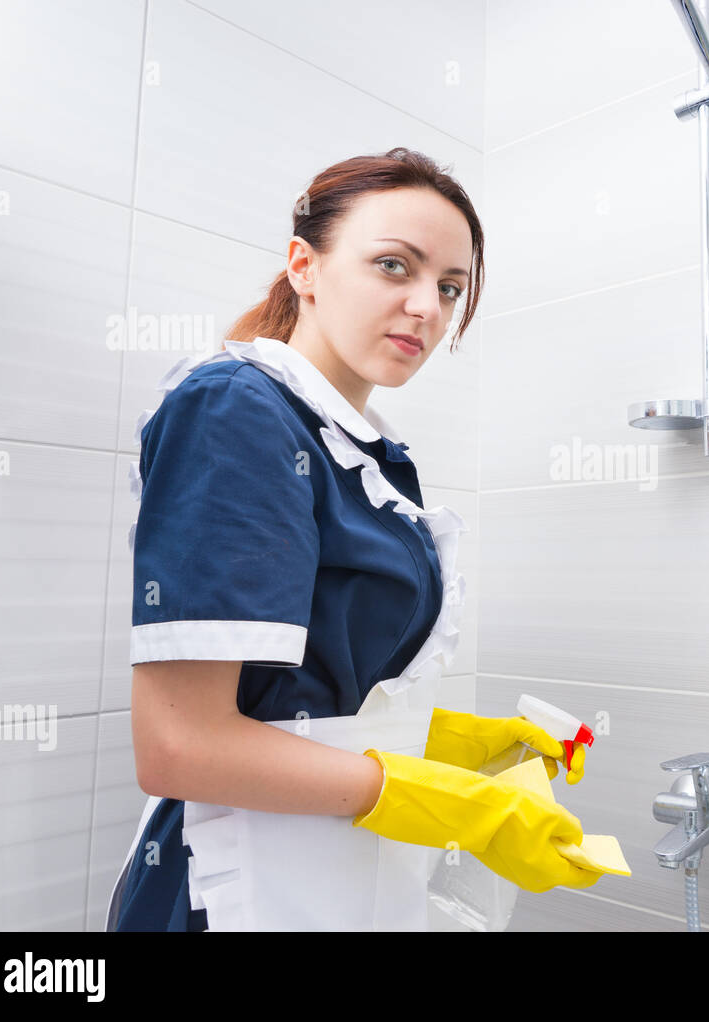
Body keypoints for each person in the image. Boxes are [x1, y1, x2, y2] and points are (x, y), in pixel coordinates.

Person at [107, 148, 600, 932]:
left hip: (329, 873)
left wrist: (461, 745)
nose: (427, 309)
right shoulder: (236, 411)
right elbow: (178, 744)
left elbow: (304, 700)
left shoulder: (368, 452)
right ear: (305, 266)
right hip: (234, 884)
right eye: (393, 267)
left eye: (448, 287)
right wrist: (445, 804)